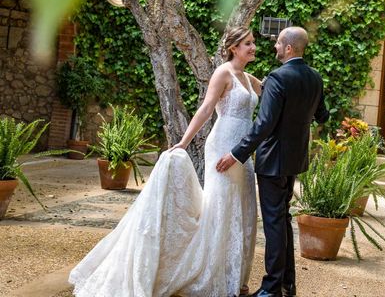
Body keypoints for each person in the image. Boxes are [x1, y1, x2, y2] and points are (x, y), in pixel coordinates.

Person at [69, 26, 262, 297]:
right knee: (222, 210)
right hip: (222, 148)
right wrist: (184, 141)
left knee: (244, 210)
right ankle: (215, 277)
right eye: (247, 44)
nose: (253, 47)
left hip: (244, 153)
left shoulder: (249, 79)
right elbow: (206, 108)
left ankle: (237, 277)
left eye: (253, 43)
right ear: (233, 48)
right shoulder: (223, 73)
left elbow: (272, 96)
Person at [216, 26, 329, 297]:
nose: (274, 47)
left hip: (273, 161)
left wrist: (235, 154)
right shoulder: (314, 77)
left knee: (274, 222)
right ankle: (288, 284)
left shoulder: (278, 78)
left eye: (278, 43)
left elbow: (264, 124)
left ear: (289, 48)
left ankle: (271, 288)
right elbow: (322, 116)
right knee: (282, 217)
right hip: (295, 159)